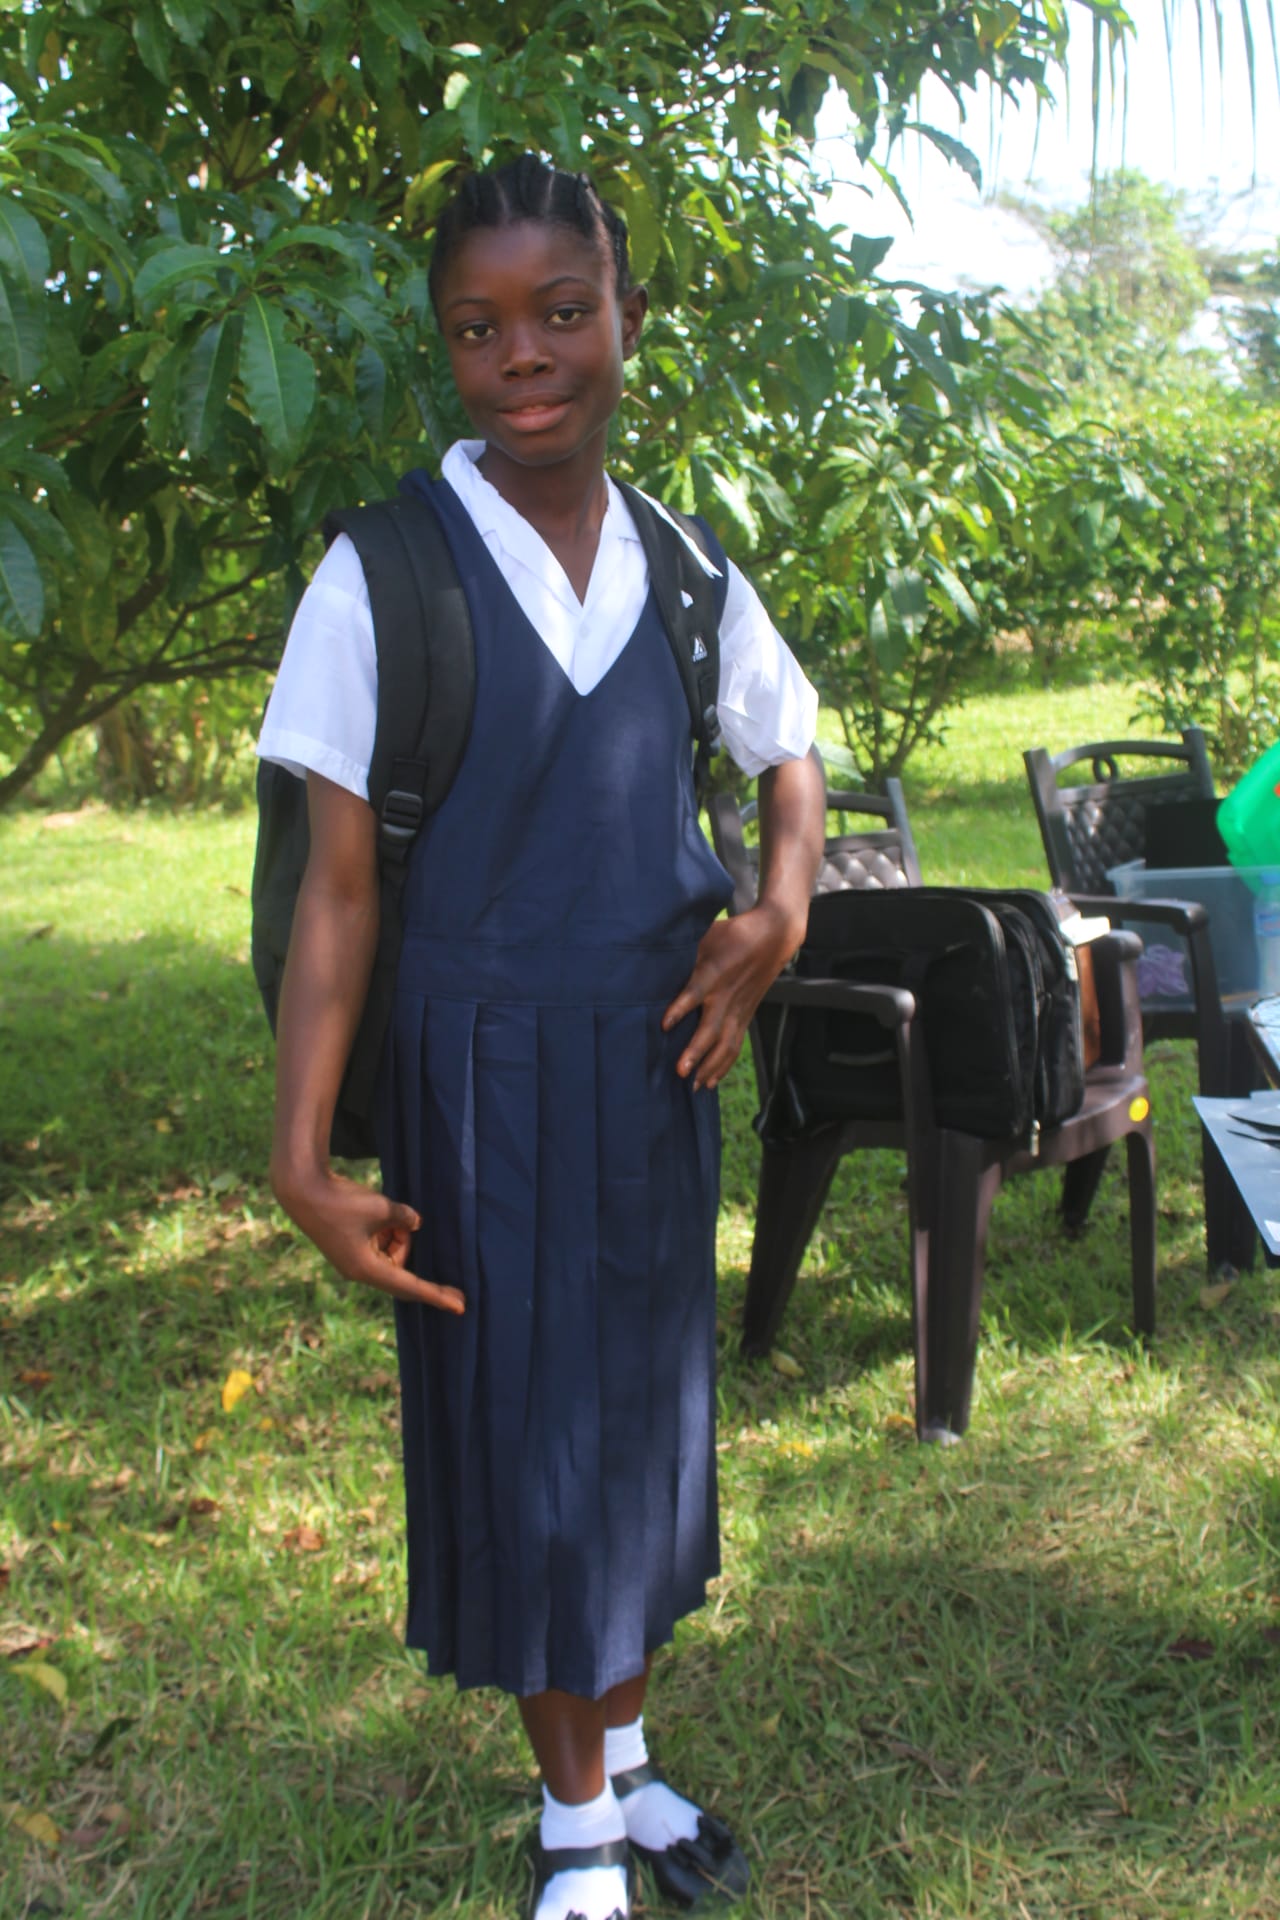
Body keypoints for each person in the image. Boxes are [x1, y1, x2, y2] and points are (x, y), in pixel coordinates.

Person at [258, 155, 825, 1920]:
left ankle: (627, 1759)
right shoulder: (385, 577)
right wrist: (300, 1156)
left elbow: (791, 750)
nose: (523, 356)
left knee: (642, 1428)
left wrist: (781, 912)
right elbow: (336, 889)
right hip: (476, 1074)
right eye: (478, 327)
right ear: (446, 347)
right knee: (525, 1437)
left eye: (563, 314)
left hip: (653, 1066)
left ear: (627, 323)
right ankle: (576, 1825)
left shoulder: (685, 568)